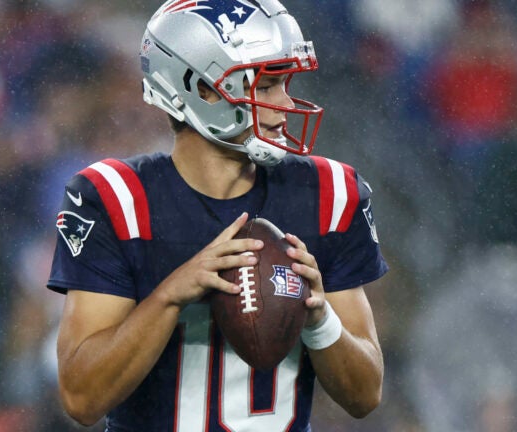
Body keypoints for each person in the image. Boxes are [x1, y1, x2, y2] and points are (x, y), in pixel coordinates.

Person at [47, 1, 389, 430]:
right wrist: (170, 295)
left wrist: (320, 318)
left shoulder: (327, 193)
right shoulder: (117, 199)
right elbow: (82, 398)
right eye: (265, 87)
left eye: (284, 83)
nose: (284, 103)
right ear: (201, 88)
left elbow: (365, 394)